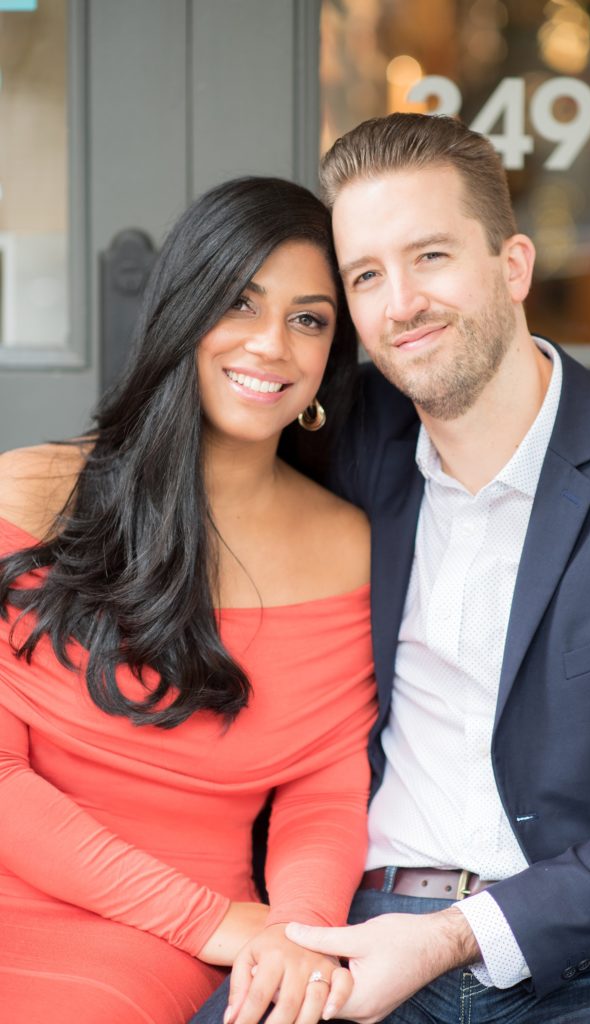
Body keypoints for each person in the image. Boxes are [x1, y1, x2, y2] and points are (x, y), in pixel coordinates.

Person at [193, 113, 590, 1024]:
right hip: (351, 931)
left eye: (430, 256)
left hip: (588, 959)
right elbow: (184, 443)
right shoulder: (345, 444)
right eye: (365, 276)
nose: (400, 303)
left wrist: (458, 935)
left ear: (513, 265)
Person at [0, 176, 377, 1024]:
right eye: (239, 303)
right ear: (182, 310)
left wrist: (297, 932)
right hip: (70, 894)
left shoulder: (346, 548)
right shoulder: (24, 496)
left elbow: (322, 791)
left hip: (173, 952)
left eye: (309, 320)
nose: (271, 345)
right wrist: (213, 922)